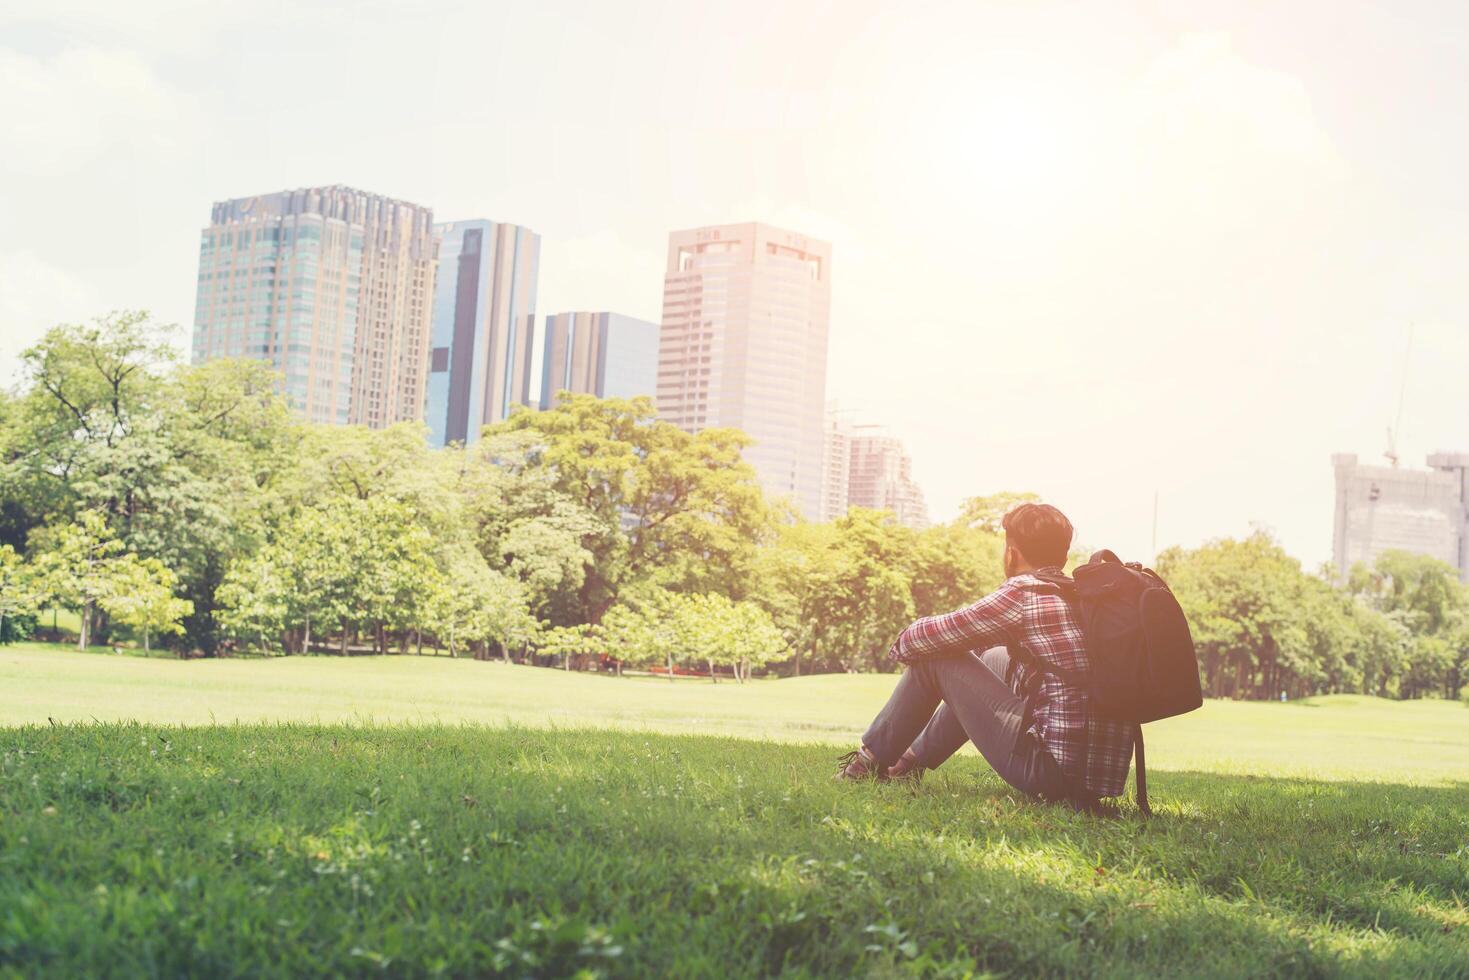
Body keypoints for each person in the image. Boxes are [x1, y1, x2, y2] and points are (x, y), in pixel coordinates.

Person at [836, 503, 1134, 811]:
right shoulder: (1077, 595)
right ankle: (906, 763)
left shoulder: (1024, 592)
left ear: (1012, 554)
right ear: (1063, 557)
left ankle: (865, 765)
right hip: (1095, 778)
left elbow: (923, 639)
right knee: (994, 658)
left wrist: (902, 643)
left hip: (1051, 772)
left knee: (933, 657)